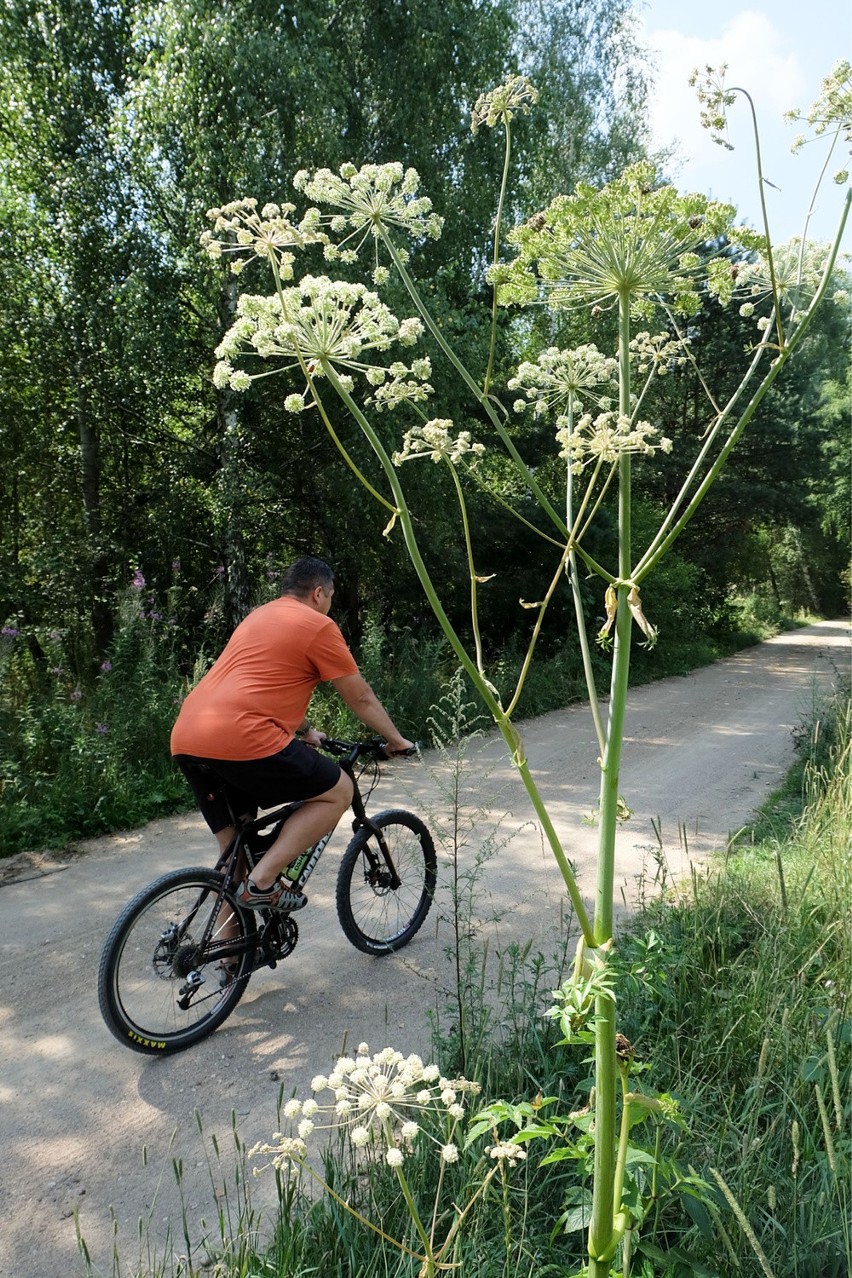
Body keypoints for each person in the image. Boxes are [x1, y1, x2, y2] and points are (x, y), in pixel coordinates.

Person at [171, 556, 414, 911]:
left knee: (232, 860)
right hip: (242, 737)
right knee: (339, 791)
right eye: (330, 598)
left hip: (189, 736)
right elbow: (359, 696)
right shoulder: (317, 625)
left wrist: (307, 730)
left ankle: (226, 962)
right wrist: (396, 740)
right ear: (319, 593)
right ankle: (265, 881)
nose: (328, 606)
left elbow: (255, 684)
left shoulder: (259, 616)